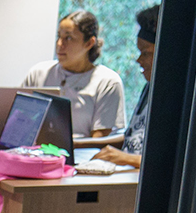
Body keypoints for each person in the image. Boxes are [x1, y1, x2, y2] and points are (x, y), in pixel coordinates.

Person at [21, 9, 126, 140]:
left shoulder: (108, 82)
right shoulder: (39, 73)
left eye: (68, 38)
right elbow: (19, 120)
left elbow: (99, 141)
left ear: (89, 43)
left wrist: (66, 145)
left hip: (81, 157)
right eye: (59, 36)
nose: (60, 44)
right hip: (35, 153)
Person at [94, 4, 159, 169]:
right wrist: (78, 146)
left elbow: (172, 165)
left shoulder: (185, 99)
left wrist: (127, 159)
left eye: (146, 53)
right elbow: (131, 138)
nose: (139, 60)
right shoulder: (149, 88)